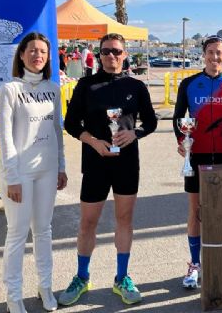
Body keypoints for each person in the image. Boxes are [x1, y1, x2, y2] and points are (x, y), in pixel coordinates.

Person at [59, 33, 158, 306]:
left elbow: (150, 121)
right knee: (87, 223)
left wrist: (134, 134)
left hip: (126, 163)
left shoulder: (136, 87)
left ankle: (122, 278)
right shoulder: (86, 85)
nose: (111, 56)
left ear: (125, 55)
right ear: (99, 55)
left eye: (116, 51)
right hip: (95, 163)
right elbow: (70, 124)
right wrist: (92, 141)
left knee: (124, 220)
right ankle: (81, 277)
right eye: (106, 52)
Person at [0, 32, 67, 313]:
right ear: (22, 55)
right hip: (19, 174)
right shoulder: (9, 90)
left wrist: (61, 167)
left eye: (43, 52)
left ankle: (45, 286)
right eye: (33, 51)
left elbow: (56, 132)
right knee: (17, 234)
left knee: (44, 231)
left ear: (49, 57)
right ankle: (13, 295)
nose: (38, 55)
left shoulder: (53, 87)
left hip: (47, 171)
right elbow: (5, 137)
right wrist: (12, 176)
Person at [172, 35, 222, 289]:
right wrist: (182, 140)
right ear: (203, 54)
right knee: (195, 211)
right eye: (211, 52)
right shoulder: (190, 84)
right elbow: (177, 117)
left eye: (220, 53)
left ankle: (219, 261)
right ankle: (195, 263)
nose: (215, 57)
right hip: (197, 155)